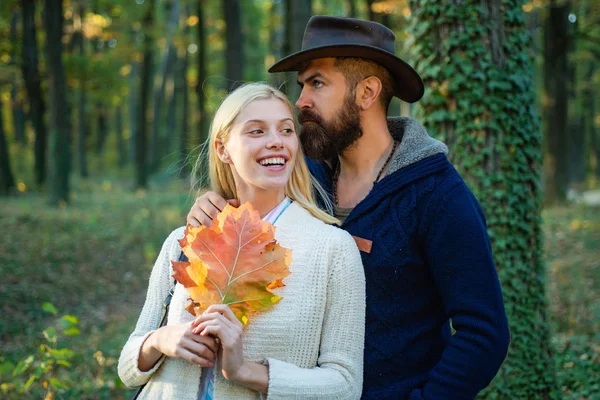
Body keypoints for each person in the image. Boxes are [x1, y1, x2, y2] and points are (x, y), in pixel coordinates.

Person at [187, 16, 511, 400]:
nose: (301, 101)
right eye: (302, 85)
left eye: (317, 83)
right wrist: (217, 203)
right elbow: (251, 219)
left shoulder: (437, 196)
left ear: (367, 92)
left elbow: (483, 334)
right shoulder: (304, 173)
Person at [118, 82, 366, 399]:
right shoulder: (186, 240)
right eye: (257, 131)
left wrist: (246, 372)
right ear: (223, 149)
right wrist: (159, 341)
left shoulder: (333, 249)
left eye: (286, 130)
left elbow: (345, 386)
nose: (276, 142)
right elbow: (127, 367)